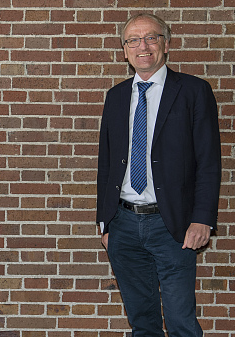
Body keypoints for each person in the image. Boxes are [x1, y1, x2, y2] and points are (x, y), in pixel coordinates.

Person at [96, 13, 221, 336]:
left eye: (151, 37)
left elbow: (209, 161)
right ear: (124, 50)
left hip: (173, 225)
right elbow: (107, 162)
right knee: (142, 322)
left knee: (181, 322)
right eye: (133, 40)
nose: (143, 46)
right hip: (123, 224)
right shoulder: (117, 96)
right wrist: (105, 221)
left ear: (166, 44)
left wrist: (203, 218)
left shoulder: (194, 92)